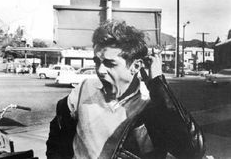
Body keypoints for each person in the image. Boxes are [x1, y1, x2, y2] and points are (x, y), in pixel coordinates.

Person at [46, 20, 205, 159]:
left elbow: (192, 150)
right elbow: (57, 137)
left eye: (110, 63)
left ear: (135, 66)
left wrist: (157, 83)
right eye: (97, 62)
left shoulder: (149, 105)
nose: (100, 70)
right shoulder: (84, 89)